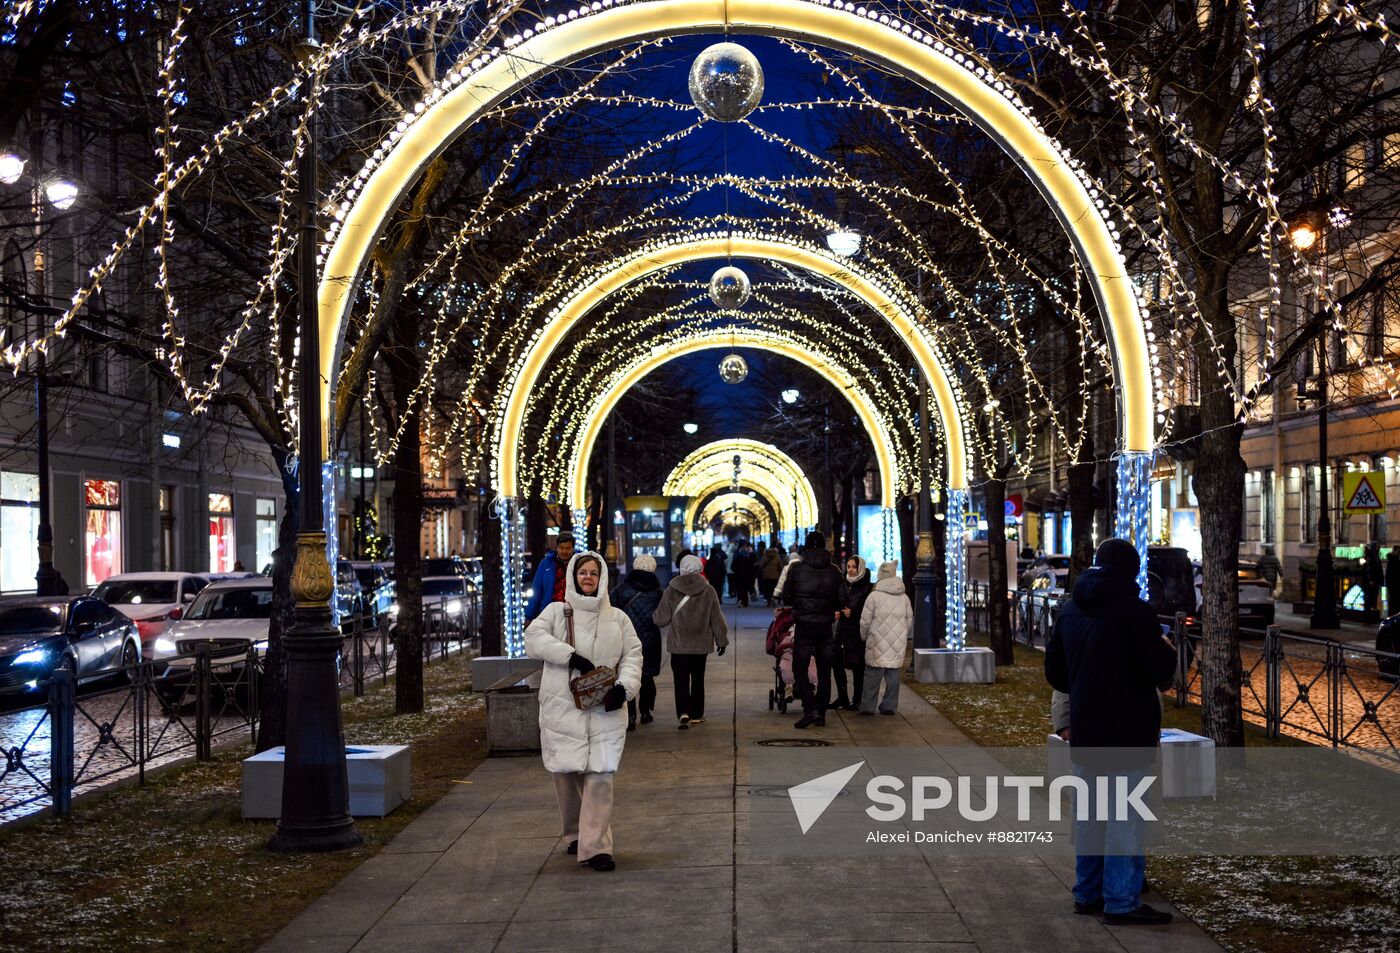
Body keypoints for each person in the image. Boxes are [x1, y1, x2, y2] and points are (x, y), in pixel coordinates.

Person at [1044, 538, 1177, 926]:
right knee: (1124, 818)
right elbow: (1160, 668)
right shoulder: (1135, 612)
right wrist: (1165, 646)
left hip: (1087, 728)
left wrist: (1086, 682)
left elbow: (1055, 672)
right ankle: (1120, 900)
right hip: (1128, 730)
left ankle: (1087, 893)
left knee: (1089, 815)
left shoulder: (1071, 609)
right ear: (1132, 570)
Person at [524, 551, 643, 872]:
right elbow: (532, 639)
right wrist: (569, 655)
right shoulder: (555, 612)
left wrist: (624, 688)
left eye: (593, 572)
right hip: (563, 707)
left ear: (602, 577)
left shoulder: (618, 618)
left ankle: (597, 847)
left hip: (606, 708)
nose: (588, 577)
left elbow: (633, 655)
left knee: (601, 776)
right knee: (566, 775)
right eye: (582, 572)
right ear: (574, 577)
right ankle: (576, 833)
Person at [654, 554, 728, 728]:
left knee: (680, 680)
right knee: (698, 679)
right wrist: (721, 640)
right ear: (699, 569)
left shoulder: (671, 590)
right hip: (700, 646)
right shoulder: (709, 590)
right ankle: (696, 713)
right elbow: (717, 619)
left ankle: (683, 712)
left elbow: (660, 619)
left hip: (679, 647)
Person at [783, 531, 847, 729]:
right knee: (824, 669)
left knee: (799, 668)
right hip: (825, 625)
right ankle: (821, 713)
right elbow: (842, 599)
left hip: (804, 625)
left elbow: (786, 597)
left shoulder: (796, 569)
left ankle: (810, 708)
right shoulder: (834, 571)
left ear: (806, 546)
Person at [610, 555, 664, 729]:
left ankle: (630, 715)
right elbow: (662, 616)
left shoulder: (621, 589)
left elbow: (611, 611)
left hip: (627, 638)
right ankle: (646, 711)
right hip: (650, 638)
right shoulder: (657, 592)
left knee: (628, 674)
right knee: (647, 677)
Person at [859, 561, 911, 715]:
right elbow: (909, 621)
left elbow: (865, 621)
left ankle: (868, 706)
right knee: (893, 676)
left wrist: (864, 636)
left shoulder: (873, 596)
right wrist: (903, 636)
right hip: (896, 643)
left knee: (872, 677)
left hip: (876, 642)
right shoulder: (904, 598)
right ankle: (889, 705)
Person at [832, 555, 871, 711]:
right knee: (837, 663)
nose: (851, 570)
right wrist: (837, 612)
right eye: (848, 566)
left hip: (856, 632)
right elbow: (838, 602)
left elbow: (868, 610)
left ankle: (857, 699)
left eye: (854, 567)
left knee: (857, 667)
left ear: (860, 568)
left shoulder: (866, 587)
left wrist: (853, 613)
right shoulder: (843, 583)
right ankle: (842, 698)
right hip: (842, 631)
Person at [525, 532, 576, 622]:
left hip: (573, 614)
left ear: (573, 548)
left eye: (568, 548)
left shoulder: (578, 564)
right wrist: (529, 616)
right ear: (556, 548)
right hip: (549, 614)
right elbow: (537, 590)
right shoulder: (546, 564)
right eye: (561, 548)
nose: (564, 551)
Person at [731, 542, 756, 607]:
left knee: (741, 589)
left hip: (740, 574)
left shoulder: (737, 554)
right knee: (743, 589)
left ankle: (741, 601)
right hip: (745, 575)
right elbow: (753, 563)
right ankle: (744, 602)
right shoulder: (748, 555)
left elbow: (733, 565)